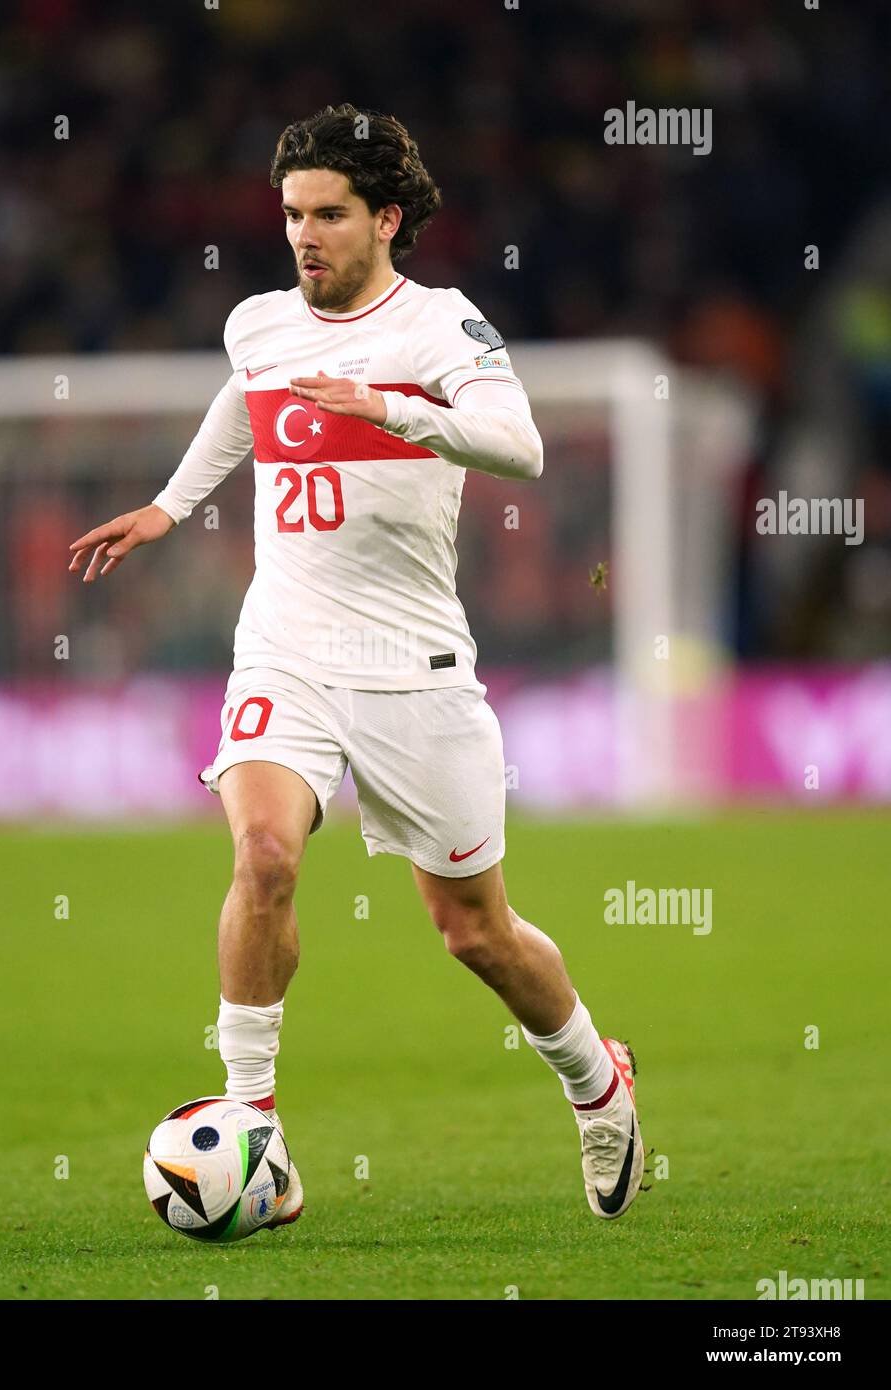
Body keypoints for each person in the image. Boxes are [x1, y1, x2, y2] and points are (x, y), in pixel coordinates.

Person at [68, 103, 646, 1228]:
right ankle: (254, 1128)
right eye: (291, 213)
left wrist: (386, 408)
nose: (304, 234)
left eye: (328, 213)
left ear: (385, 217)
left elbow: (519, 446)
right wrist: (170, 507)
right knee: (266, 852)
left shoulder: (440, 327)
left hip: (414, 667)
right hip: (283, 644)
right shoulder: (258, 323)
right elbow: (246, 396)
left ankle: (595, 1080)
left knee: (472, 929)